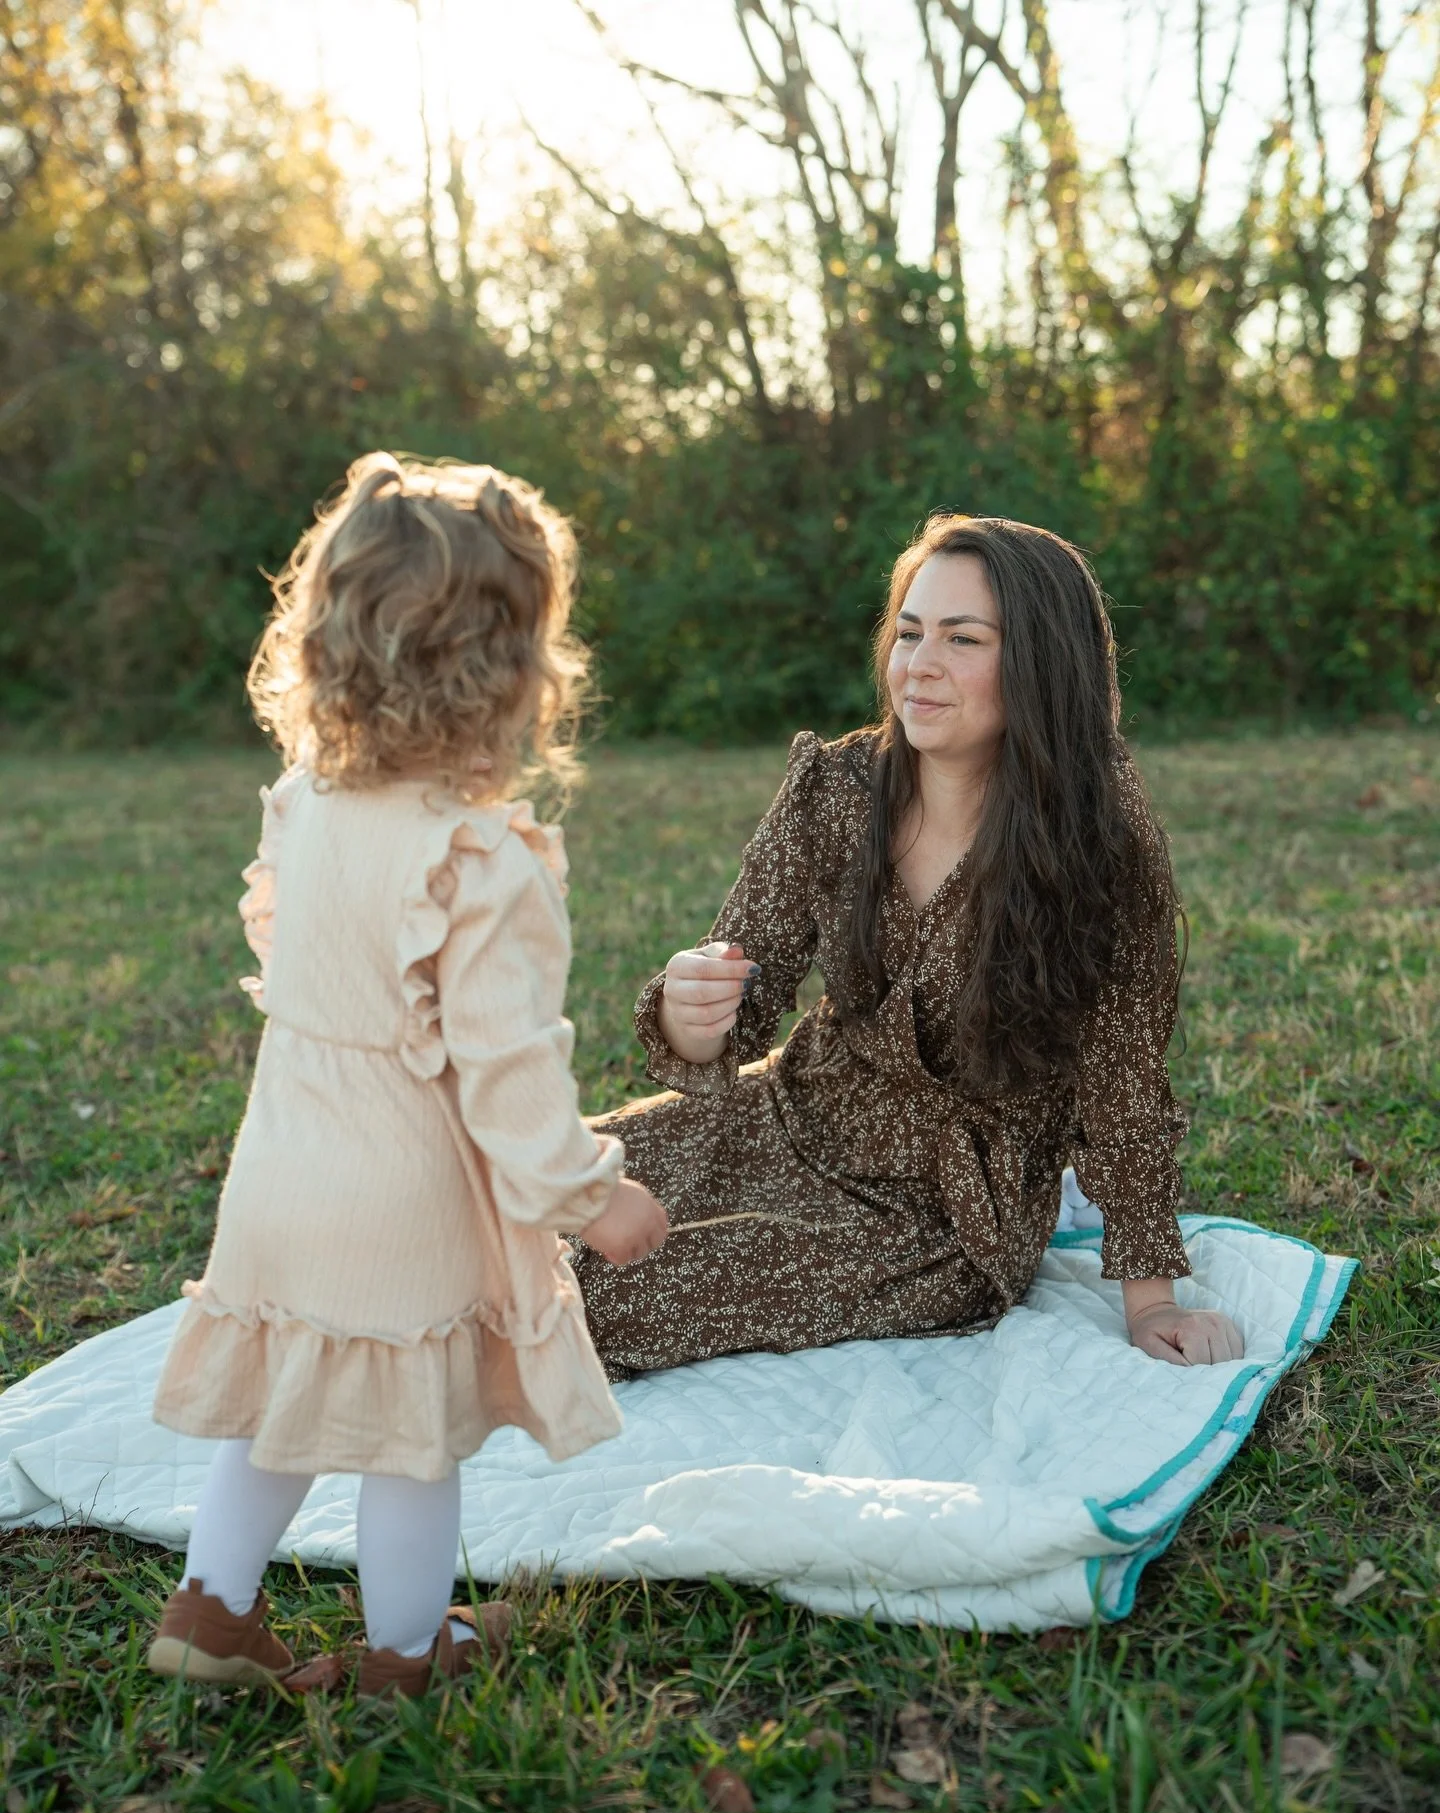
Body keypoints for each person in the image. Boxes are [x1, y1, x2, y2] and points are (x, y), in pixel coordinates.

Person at [146, 453, 667, 1698]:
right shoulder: (482, 862)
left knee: (289, 1398)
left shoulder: (304, 807)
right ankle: (405, 1655)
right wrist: (593, 1195)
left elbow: (304, 963)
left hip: (281, 1170)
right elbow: (506, 1068)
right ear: (514, 671)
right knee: (408, 1444)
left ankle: (209, 1614)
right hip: (399, 1195)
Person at [571, 513, 1244, 1378]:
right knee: (505, 1197)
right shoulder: (837, 789)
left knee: (602, 1292)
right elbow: (733, 1010)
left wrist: (1152, 1302)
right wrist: (687, 1004)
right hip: (793, 1114)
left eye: (963, 639)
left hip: (942, 1210)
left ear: (1040, 663)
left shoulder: (1101, 848)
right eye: (910, 632)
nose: (919, 666)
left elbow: (1123, 1089)